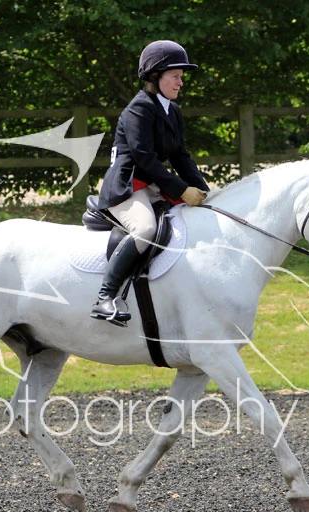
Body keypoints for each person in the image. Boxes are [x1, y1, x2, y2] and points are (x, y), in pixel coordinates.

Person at [90, 39, 210, 325]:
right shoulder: (139, 109)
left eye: (181, 77)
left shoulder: (172, 110)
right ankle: (105, 297)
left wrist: (206, 191)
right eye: (175, 76)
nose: (181, 82)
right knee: (145, 229)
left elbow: (181, 156)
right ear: (155, 76)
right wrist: (182, 190)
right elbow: (144, 159)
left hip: (152, 184)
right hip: (127, 186)